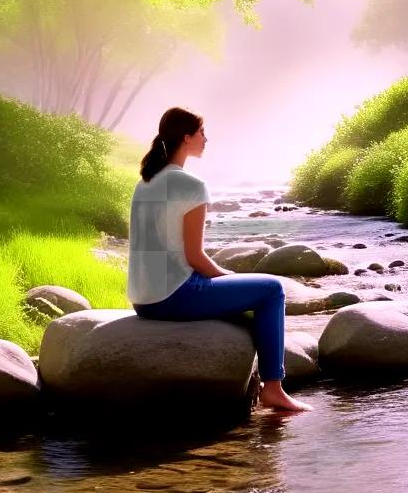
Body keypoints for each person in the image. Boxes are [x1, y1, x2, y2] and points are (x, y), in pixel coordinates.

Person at [127, 106, 312, 414]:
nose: (206, 139)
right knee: (271, 290)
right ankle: (274, 389)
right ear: (186, 138)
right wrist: (226, 276)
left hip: (143, 299)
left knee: (250, 311)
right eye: (201, 133)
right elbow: (194, 256)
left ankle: (261, 383)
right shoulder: (191, 186)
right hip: (175, 295)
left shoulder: (145, 182)